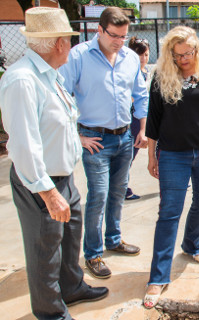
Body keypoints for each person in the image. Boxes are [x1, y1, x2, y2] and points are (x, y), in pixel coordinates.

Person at [0, 7, 108, 319]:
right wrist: (48, 192)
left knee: (71, 235)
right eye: (69, 41)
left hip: (63, 177)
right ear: (58, 44)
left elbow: (60, 123)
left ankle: (72, 288)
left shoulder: (50, 76)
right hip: (39, 182)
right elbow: (23, 145)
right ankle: (50, 312)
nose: (72, 48)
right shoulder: (22, 80)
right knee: (44, 250)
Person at [144, 26, 199, 309]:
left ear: (197, 50)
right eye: (179, 54)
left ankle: (192, 245)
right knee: (169, 212)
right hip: (173, 154)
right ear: (170, 54)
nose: (185, 58)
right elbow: (154, 120)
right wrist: (152, 155)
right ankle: (158, 277)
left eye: (190, 52)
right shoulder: (161, 78)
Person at [60, 7, 149, 279]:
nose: (119, 42)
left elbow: (140, 95)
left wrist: (143, 130)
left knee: (117, 193)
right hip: (95, 139)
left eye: (124, 36)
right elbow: (61, 96)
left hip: (124, 138)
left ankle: (114, 239)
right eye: (114, 36)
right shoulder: (78, 56)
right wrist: (79, 136)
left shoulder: (130, 59)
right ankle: (93, 253)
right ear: (99, 30)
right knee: (98, 196)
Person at [125, 36, 152, 200]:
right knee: (128, 156)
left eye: (146, 54)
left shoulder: (146, 71)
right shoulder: (129, 72)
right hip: (133, 118)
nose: (143, 58)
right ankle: (122, 187)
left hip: (146, 118)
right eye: (140, 55)